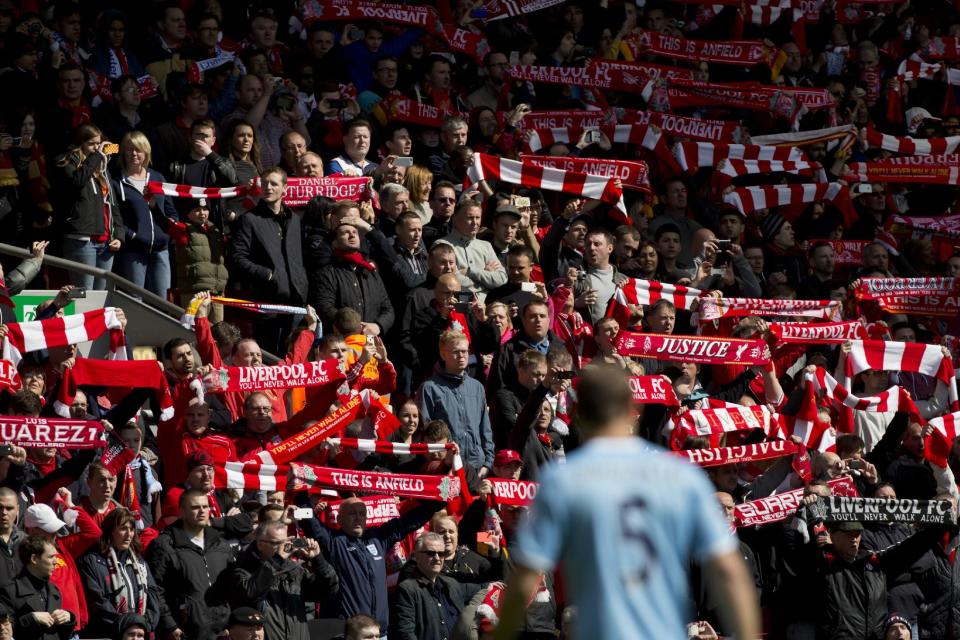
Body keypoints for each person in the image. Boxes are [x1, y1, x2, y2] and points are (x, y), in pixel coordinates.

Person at [493, 366, 761, 640]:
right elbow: (729, 571)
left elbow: (525, 576)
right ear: (633, 409)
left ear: (579, 413)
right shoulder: (679, 475)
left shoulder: (563, 483)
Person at [299, 496, 443, 633]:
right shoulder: (332, 542)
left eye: (362, 514)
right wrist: (300, 494)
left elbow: (407, 522)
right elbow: (309, 522)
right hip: (347, 634)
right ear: (339, 519)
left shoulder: (378, 538)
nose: (358, 518)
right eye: (352, 513)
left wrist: (438, 502)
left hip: (379, 633)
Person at [229, 166, 308, 353]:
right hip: (267, 303)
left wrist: (302, 282)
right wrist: (267, 275)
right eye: (264, 184)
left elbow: (300, 258)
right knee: (268, 356)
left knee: (293, 358)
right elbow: (236, 257)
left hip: (296, 302)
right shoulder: (249, 219)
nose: (268, 188)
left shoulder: (294, 220)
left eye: (274, 184)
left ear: (285, 189)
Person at [147, 489, 234, 640]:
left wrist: (232, 623)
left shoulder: (221, 545)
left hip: (222, 632)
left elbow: (233, 587)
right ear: (181, 511)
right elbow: (155, 589)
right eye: (195, 507)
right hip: (185, 632)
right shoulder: (164, 545)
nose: (202, 511)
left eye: (205, 507)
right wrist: (170, 626)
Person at [230, 520, 339, 640]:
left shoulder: (295, 570)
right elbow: (251, 594)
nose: (283, 548)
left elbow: (328, 589)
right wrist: (276, 561)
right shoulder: (244, 571)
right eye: (276, 543)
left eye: (286, 543)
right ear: (260, 544)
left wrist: (318, 560)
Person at [419, 330, 495, 474]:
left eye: (464, 351)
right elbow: (425, 432)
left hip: (476, 466)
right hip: (446, 467)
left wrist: (487, 463)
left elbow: (485, 429)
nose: (461, 355)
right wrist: (441, 464)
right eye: (456, 352)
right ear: (443, 354)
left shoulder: (477, 387)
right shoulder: (429, 388)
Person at [77, 508, 161, 638]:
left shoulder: (140, 563)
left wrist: (144, 624)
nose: (129, 534)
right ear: (110, 531)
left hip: (138, 634)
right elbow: (96, 602)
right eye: (123, 528)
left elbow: (153, 596)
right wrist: (126, 626)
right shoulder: (91, 561)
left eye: (132, 529)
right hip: (105, 634)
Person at [393, 532, 481, 640]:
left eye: (441, 553)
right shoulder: (407, 589)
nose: (437, 558)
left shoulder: (451, 584)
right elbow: (406, 633)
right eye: (431, 553)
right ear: (416, 556)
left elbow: (482, 588)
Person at [0, 535, 75, 640]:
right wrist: (31, 619)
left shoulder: (54, 591)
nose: (56, 561)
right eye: (51, 557)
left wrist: (68, 619)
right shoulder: (10, 591)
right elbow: (4, 632)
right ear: (34, 559)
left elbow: (59, 635)